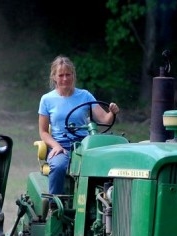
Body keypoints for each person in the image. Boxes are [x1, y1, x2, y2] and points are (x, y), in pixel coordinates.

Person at [38, 55, 120, 195]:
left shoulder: (85, 96)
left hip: (85, 145)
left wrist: (112, 112)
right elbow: (43, 131)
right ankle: (54, 204)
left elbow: (105, 119)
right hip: (61, 145)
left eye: (68, 74)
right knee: (58, 166)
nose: (65, 79)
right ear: (54, 77)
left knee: (106, 165)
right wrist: (56, 146)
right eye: (61, 75)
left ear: (73, 75)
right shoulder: (47, 99)